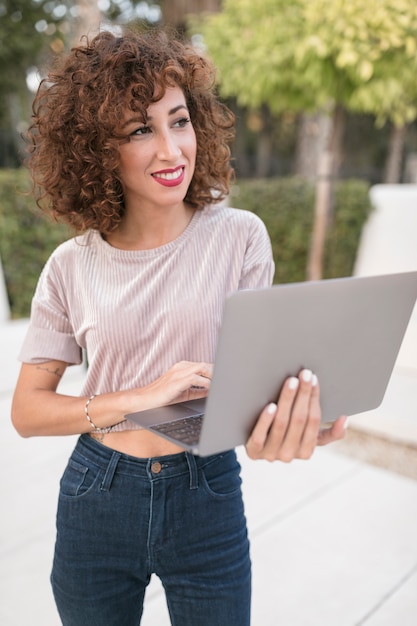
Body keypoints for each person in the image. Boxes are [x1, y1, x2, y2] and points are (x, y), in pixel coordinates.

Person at [11, 28, 347, 626]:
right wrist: (137, 399)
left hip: (206, 489)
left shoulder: (240, 236)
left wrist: (289, 424)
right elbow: (28, 412)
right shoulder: (71, 265)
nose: (172, 150)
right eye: (141, 130)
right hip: (97, 493)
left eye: (179, 120)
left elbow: (249, 386)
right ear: (96, 150)